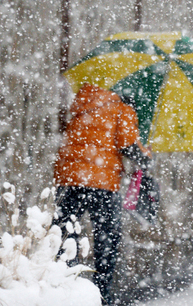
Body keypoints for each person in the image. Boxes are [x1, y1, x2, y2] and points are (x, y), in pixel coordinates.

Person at [53, 83, 152, 305]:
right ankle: (101, 295)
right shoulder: (122, 106)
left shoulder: (84, 102)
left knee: (65, 235)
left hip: (69, 179)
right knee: (107, 238)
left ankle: (64, 291)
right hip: (102, 184)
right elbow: (128, 145)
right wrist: (146, 154)